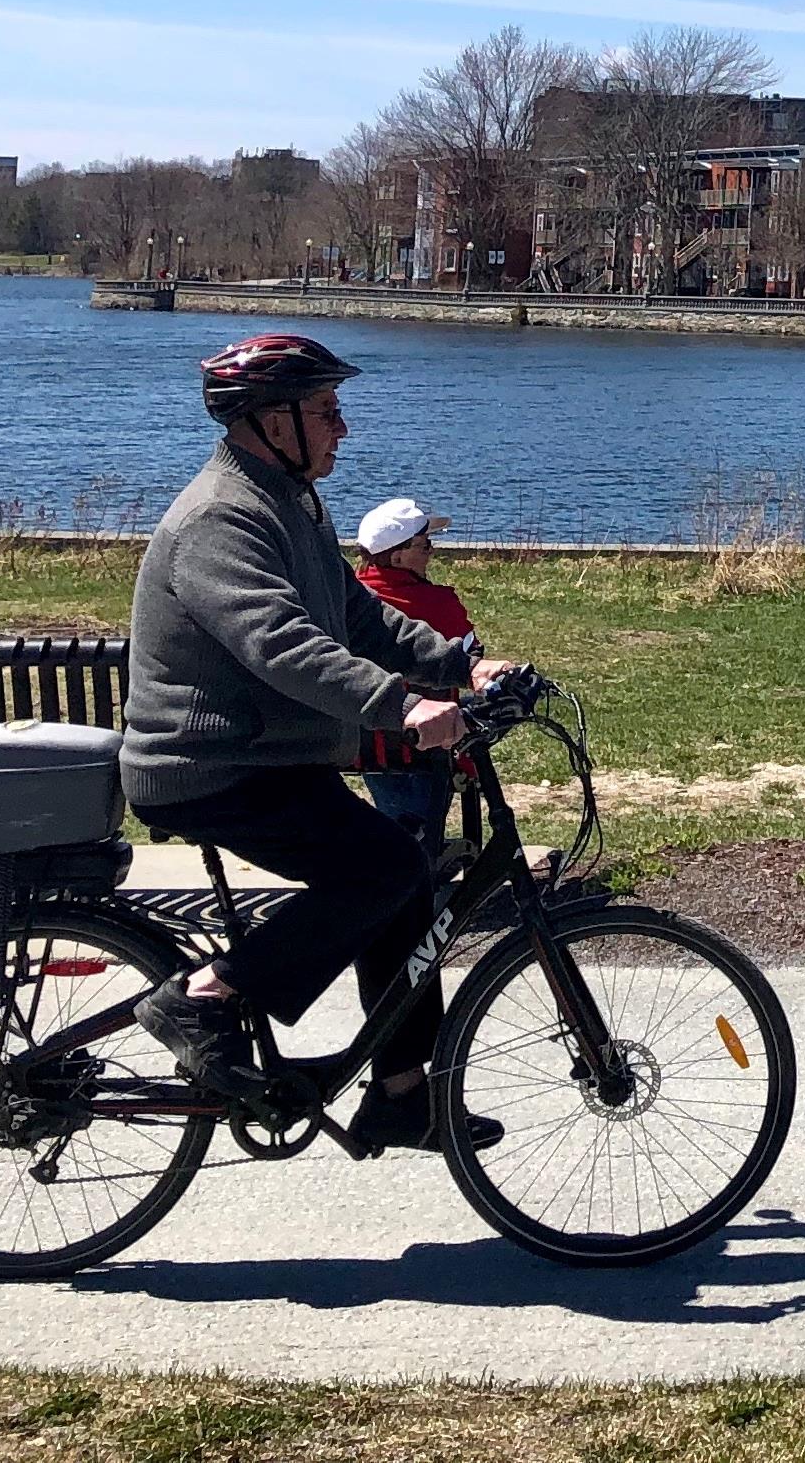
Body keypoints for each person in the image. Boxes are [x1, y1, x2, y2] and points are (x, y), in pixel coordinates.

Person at [121, 335, 519, 1155]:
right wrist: (400, 707)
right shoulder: (221, 517)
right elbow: (279, 642)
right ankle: (204, 995)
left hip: (265, 758)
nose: (344, 428)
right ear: (273, 421)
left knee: (400, 879)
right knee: (380, 868)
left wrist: (463, 664)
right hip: (206, 765)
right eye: (327, 412)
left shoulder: (289, 501)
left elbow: (358, 616)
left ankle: (404, 1095)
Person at [349, 497, 477, 854]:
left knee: (397, 818)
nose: (431, 552)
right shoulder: (437, 605)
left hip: (365, 749)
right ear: (398, 557)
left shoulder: (346, 602)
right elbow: (470, 659)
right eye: (424, 545)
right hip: (428, 748)